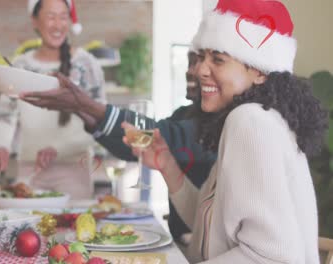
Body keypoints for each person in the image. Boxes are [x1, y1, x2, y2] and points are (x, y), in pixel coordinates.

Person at [122, 0, 327, 262]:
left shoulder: (250, 121)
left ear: (259, 72)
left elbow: (273, 257)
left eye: (218, 59)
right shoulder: (255, 118)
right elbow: (211, 219)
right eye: (202, 57)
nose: (200, 69)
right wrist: (167, 163)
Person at [22, 53, 216, 244]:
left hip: (200, 243)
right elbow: (133, 148)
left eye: (199, 62)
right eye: (191, 63)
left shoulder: (219, 120)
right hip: (182, 239)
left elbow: (159, 135)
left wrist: (83, 102)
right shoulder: (184, 113)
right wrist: (78, 109)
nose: (192, 71)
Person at [0, 0, 106, 199]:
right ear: (35, 21)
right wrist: (1, 145)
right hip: (29, 172)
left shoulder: (86, 65)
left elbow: (98, 121)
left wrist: (57, 149)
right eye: (51, 17)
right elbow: (5, 115)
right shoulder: (21, 65)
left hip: (73, 173)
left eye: (63, 17)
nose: (58, 24)